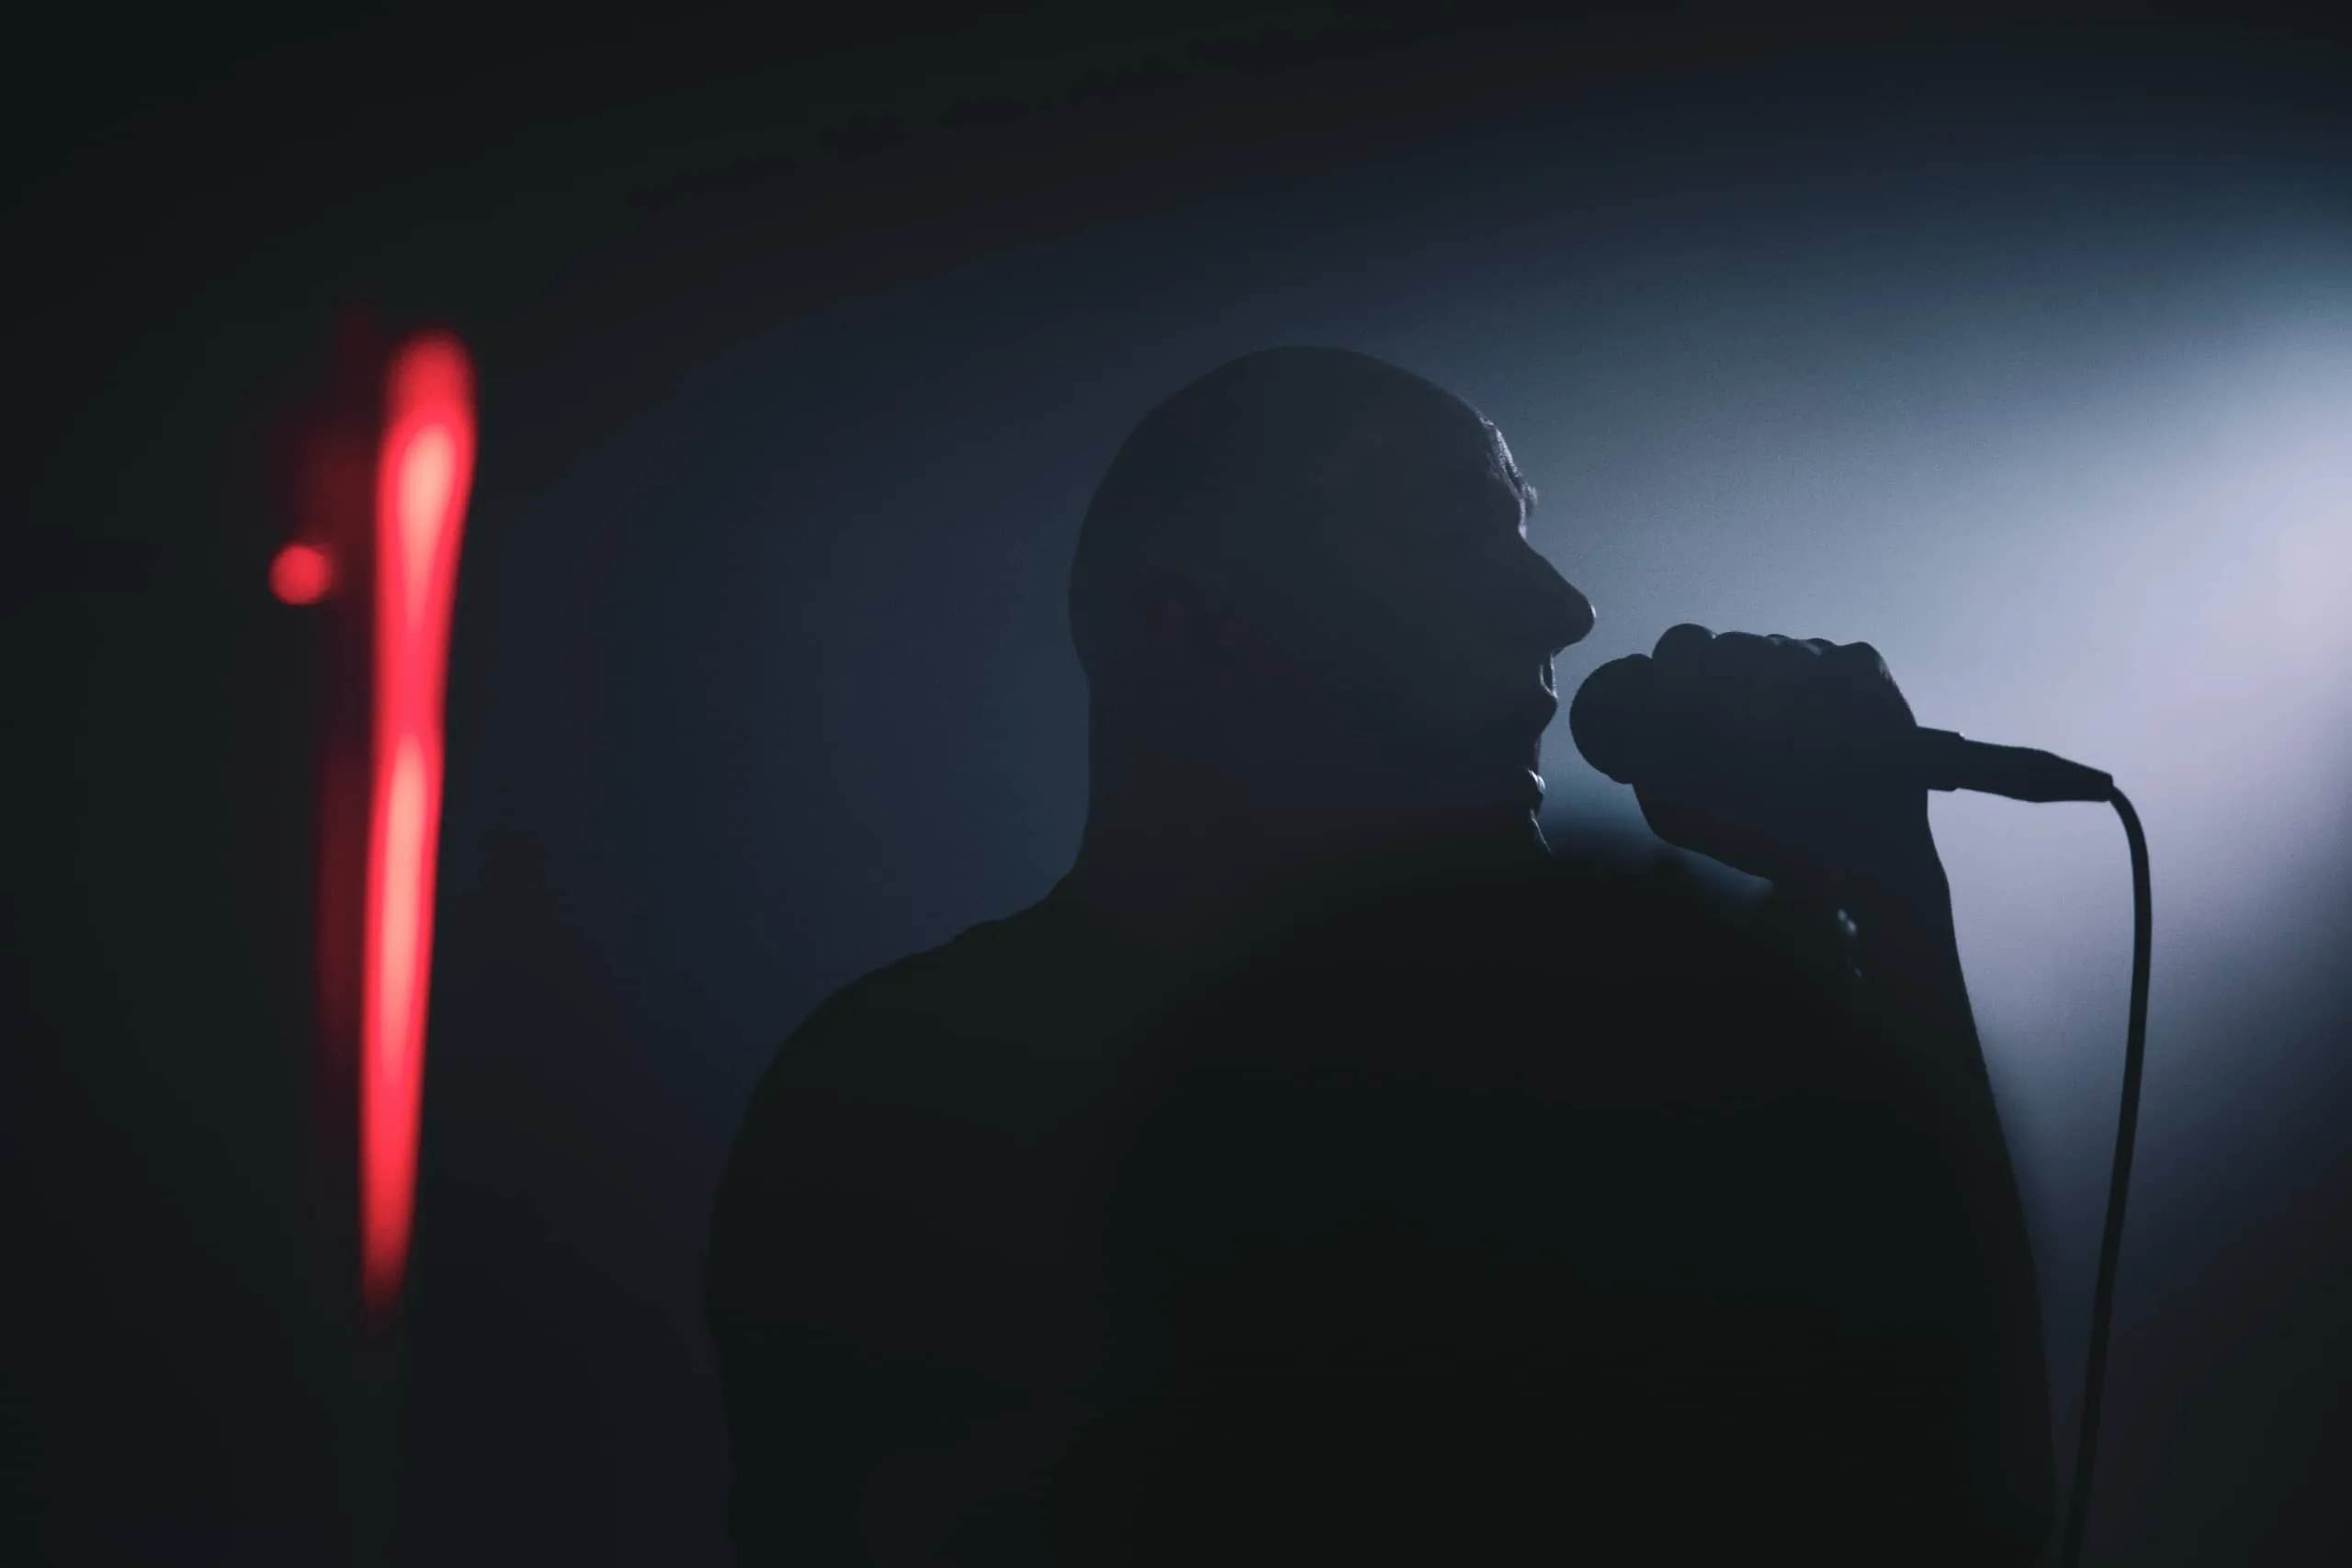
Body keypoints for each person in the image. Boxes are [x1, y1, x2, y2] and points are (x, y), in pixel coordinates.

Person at [702, 346, 2057, 1563]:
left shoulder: (1620, 1068)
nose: (1563, 607)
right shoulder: (912, 1090)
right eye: (1452, 531)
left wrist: (1883, 889)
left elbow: (1949, 1505)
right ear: (1194, 629)